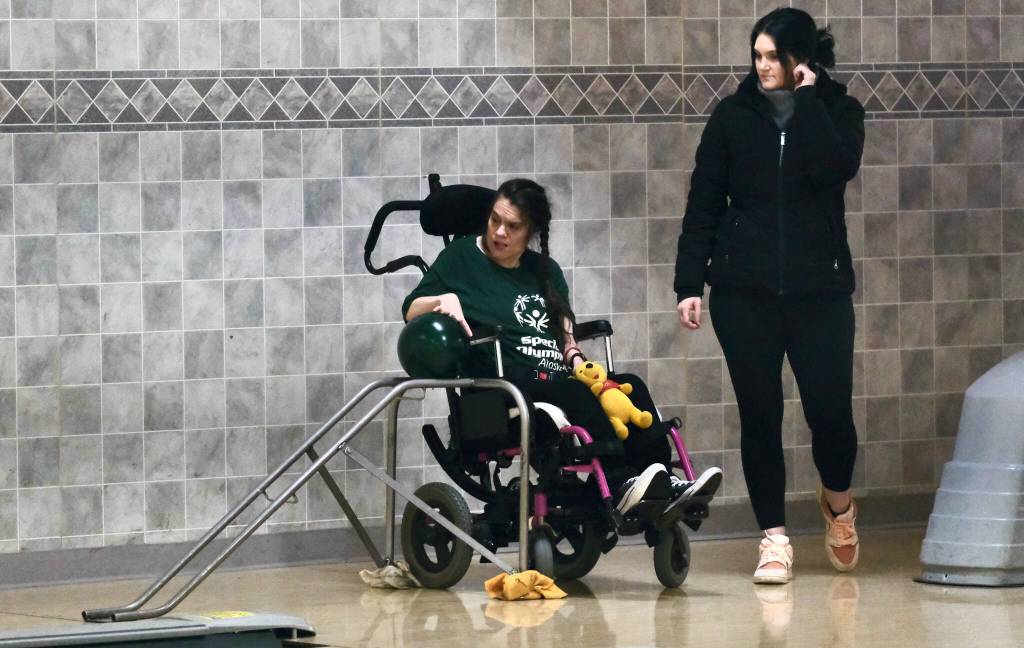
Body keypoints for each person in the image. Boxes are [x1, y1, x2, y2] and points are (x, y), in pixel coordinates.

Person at [674, 8, 865, 583]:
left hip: (820, 291)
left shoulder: (838, 112)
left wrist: (806, 104)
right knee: (760, 415)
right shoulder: (732, 117)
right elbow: (704, 200)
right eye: (756, 55)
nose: (762, 66)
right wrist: (690, 283)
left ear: (800, 60)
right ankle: (774, 538)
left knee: (830, 412)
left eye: (772, 57)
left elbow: (836, 167)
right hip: (743, 291)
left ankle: (837, 505)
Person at [403, 178, 722, 518]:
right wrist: (443, 299)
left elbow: (563, 327)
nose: (498, 232)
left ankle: (662, 483)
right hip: (503, 383)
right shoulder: (461, 257)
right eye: (495, 220)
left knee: (630, 387)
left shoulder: (545, 271)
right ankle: (619, 482)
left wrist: (574, 356)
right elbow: (410, 310)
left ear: (532, 232)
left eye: (513, 226)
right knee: (574, 394)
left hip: (555, 375)